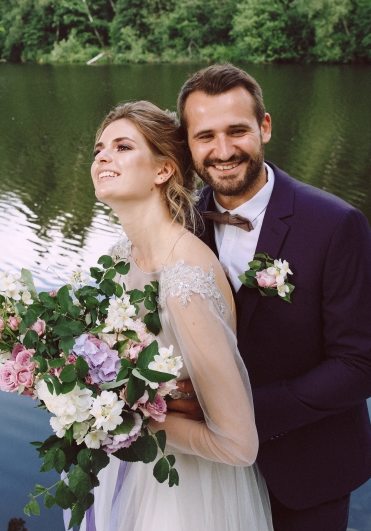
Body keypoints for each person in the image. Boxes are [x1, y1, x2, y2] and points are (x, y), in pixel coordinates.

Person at [168, 64, 371, 531]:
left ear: (264, 127)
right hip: (205, 474)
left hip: (307, 472)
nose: (223, 151)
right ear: (187, 143)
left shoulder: (335, 224)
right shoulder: (179, 226)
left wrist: (237, 412)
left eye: (237, 131)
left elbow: (361, 365)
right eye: (205, 136)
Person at [82, 101, 274, 531]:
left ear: (163, 170)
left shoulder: (185, 281)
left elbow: (239, 445)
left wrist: (132, 422)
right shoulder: (119, 259)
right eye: (99, 149)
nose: (103, 157)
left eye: (122, 147)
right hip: (124, 470)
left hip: (183, 494)